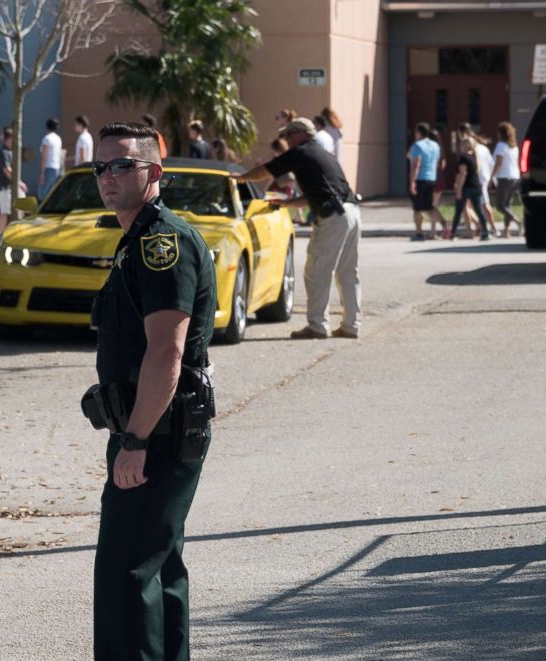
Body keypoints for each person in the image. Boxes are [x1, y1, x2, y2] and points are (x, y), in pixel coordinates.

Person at [89, 121, 216, 661]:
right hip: (150, 425)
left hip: (157, 431)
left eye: (123, 165)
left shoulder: (162, 241)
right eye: (100, 167)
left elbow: (167, 349)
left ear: (154, 173)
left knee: (127, 571)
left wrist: (135, 439)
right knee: (159, 568)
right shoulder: (136, 238)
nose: (108, 177)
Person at [233, 117, 361, 340]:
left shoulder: (300, 152)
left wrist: (241, 178)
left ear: (300, 134)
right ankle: (351, 325)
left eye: (288, 135)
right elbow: (315, 194)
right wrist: (286, 204)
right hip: (351, 212)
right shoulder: (321, 154)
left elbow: (266, 171)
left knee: (317, 271)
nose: (286, 140)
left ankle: (318, 326)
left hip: (333, 217)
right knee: (347, 272)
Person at [407, 122, 447, 240]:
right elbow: (437, 162)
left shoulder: (417, 146)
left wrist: (412, 182)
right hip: (432, 178)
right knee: (429, 207)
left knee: (417, 208)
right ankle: (445, 225)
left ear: (418, 132)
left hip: (420, 179)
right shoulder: (435, 145)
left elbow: (416, 164)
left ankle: (419, 233)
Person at [458, 122, 498, 238]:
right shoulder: (483, 148)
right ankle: (483, 227)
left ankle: (480, 228)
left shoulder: (470, 147)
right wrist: (491, 178)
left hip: (475, 179)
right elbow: (491, 163)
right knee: (480, 205)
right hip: (483, 178)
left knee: (469, 206)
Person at [450, 137, 490, 241]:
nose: (460, 147)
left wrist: (458, 189)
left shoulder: (463, 158)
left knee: (458, 211)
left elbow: (463, 173)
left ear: (466, 146)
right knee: (479, 211)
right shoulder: (474, 156)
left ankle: (452, 233)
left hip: (466, 187)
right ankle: (485, 231)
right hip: (476, 186)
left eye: (462, 145)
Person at [492, 121, 522, 237]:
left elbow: (499, 162)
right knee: (507, 205)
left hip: (505, 177)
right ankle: (506, 231)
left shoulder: (501, 145)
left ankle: (518, 221)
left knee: (500, 206)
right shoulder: (513, 146)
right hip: (515, 176)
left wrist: (492, 175)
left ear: (501, 133)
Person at [39, 117, 62, 199]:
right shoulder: (58, 139)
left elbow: (44, 156)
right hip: (57, 168)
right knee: (53, 193)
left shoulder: (47, 139)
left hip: (48, 168)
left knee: (43, 194)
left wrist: (42, 173)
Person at [429, 129, 447, 210]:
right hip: (440, 177)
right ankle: (436, 222)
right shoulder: (440, 150)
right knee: (435, 203)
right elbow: (443, 166)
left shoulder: (430, 149)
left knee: (431, 203)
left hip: (431, 177)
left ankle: (442, 221)